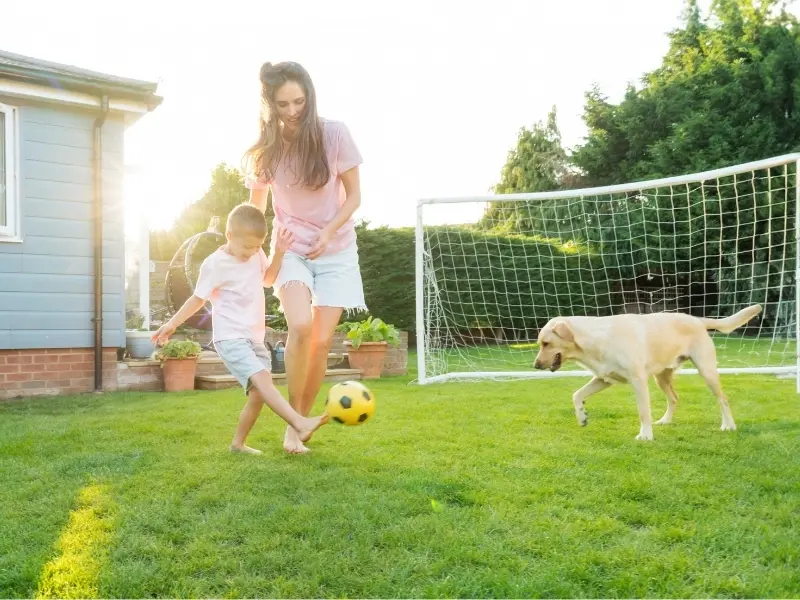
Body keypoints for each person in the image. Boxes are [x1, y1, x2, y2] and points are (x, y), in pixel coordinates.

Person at [243, 61, 366, 454]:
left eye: (299, 101)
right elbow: (254, 209)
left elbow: (356, 197)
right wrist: (251, 251)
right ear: (270, 104)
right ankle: (294, 424)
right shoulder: (268, 151)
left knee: (322, 339)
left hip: (338, 248)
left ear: (309, 97)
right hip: (292, 248)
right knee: (299, 327)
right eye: (283, 104)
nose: (293, 110)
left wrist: (329, 232)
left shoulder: (334, 134)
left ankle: (299, 422)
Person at [150, 203, 328, 455]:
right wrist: (171, 324)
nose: (251, 252)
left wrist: (277, 253)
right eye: (247, 247)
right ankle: (298, 422)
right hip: (230, 337)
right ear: (229, 236)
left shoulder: (256, 255)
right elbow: (197, 299)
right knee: (265, 381)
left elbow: (266, 280)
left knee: (258, 395)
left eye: (256, 246)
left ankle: (238, 444)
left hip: (254, 337)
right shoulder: (215, 264)